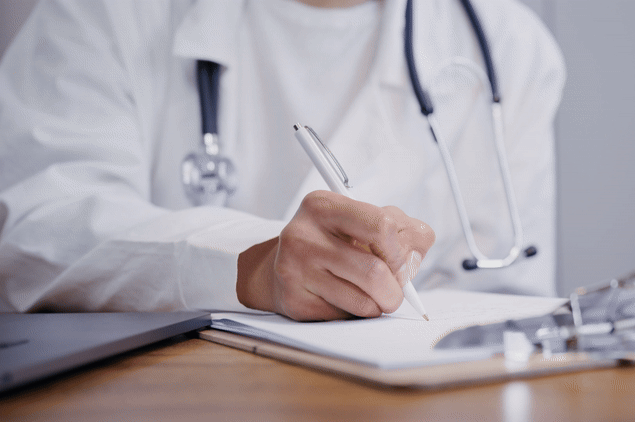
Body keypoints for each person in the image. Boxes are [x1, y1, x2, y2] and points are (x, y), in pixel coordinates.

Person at [0, 0, 565, 320]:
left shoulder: (508, 48)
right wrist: (246, 265)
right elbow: (38, 233)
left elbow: (507, 306)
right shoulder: (101, 13)